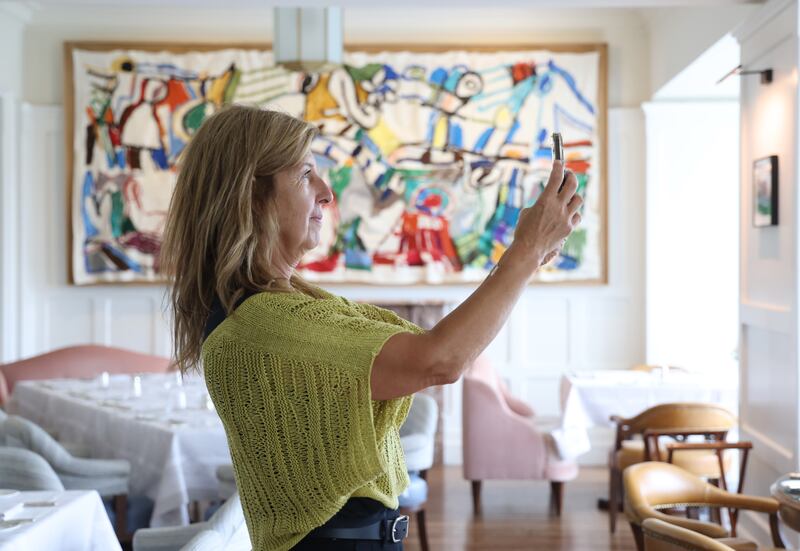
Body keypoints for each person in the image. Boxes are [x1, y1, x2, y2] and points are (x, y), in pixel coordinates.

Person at [160, 104, 581, 551]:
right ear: (250, 195)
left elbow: (430, 348)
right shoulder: (264, 322)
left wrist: (527, 257)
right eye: (306, 174)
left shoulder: (273, 309)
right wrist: (525, 251)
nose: (326, 193)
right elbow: (439, 358)